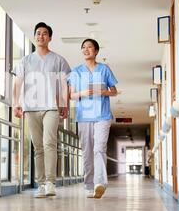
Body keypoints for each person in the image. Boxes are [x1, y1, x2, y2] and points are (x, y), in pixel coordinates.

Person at [13, 22, 71, 198]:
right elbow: (17, 83)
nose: (40, 36)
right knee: (38, 147)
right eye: (38, 34)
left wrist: (64, 104)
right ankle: (41, 185)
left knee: (49, 143)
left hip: (51, 107)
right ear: (35, 37)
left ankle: (51, 183)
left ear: (50, 38)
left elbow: (63, 84)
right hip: (31, 108)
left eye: (44, 34)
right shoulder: (26, 60)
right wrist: (16, 103)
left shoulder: (59, 60)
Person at [68, 39, 118, 198]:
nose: (86, 49)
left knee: (99, 148)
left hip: (102, 115)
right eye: (83, 47)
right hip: (84, 116)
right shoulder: (76, 71)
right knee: (87, 151)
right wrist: (83, 93)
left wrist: (103, 92)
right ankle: (89, 185)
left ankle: (100, 183)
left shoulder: (104, 69)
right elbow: (71, 95)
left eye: (89, 47)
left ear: (96, 51)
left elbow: (114, 91)